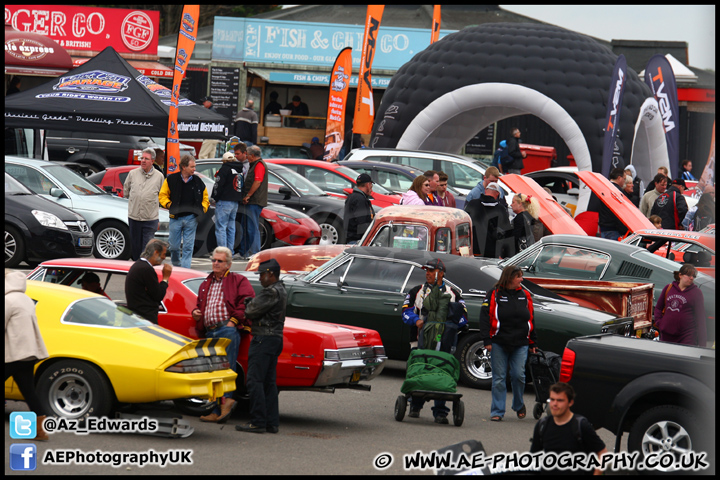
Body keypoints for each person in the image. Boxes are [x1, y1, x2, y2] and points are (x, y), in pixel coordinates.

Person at [192, 246, 255, 423]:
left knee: (225, 369)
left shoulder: (238, 280)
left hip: (226, 329)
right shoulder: (206, 283)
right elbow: (199, 305)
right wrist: (196, 313)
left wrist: (233, 322)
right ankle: (215, 409)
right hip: (210, 331)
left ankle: (226, 402)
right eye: (214, 260)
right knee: (212, 372)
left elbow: (247, 302)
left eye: (220, 261)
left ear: (228, 264)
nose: (215, 264)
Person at [401, 259, 468, 423]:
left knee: (442, 374)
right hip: (419, 342)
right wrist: (416, 320)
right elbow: (405, 312)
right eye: (427, 271)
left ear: (441, 273)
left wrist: (448, 326)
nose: (428, 274)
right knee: (420, 371)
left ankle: (440, 412)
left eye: (432, 271)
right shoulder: (416, 291)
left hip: (444, 343)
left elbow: (463, 318)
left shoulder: (453, 293)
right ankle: (415, 405)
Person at [479, 265, 537, 422]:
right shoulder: (494, 293)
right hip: (499, 342)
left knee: (519, 376)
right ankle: (497, 411)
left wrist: (532, 342)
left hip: (521, 343)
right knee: (499, 378)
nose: (521, 279)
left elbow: (531, 319)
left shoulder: (525, 295)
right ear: (510, 278)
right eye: (519, 276)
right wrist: (487, 340)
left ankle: (518, 405)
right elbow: (484, 317)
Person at [236, 258, 287, 434]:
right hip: (275, 339)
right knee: (269, 383)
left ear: (270, 274)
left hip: (263, 339)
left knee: (254, 381)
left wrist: (248, 303)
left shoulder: (269, 292)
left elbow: (249, 312)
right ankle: (271, 423)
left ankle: (257, 421)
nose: (259, 279)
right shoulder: (281, 289)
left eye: (261, 275)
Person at [5, 270, 50, 441]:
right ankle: (40, 431)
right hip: (29, 354)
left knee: (29, 391)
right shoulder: (26, 300)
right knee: (29, 392)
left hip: (13, 354)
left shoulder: (8, 300)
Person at [530, 382, 608, 475]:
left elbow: (602, 452)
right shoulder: (542, 425)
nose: (555, 404)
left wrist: (597, 473)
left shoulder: (581, 425)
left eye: (560, 400)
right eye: (552, 399)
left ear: (570, 402)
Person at [159, 155, 209, 268]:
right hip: (175, 218)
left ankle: (185, 270)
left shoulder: (198, 181)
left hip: (192, 218)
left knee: (188, 247)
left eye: (194, 166)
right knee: (174, 247)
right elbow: (162, 195)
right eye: (192, 167)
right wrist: (169, 205)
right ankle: (176, 265)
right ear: (183, 167)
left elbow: (205, 198)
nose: (194, 169)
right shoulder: (171, 179)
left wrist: (203, 209)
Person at [124, 147, 165, 260]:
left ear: (152, 161)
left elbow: (162, 195)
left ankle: (144, 269)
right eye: (141, 158)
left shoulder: (159, 176)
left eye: (146, 159)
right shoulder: (133, 174)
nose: (143, 160)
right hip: (134, 217)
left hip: (150, 219)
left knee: (147, 248)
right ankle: (137, 267)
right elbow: (126, 191)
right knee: (136, 248)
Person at [653, 264, 706, 347]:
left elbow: (701, 318)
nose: (691, 278)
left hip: (687, 337)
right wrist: (660, 323)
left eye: (693, 276)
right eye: (688, 275)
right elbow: (658, 308)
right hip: (666, 336)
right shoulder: (668, 288)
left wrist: (703, 344)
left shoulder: (696, 293)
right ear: (680, 275)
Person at [125, 239, 172, 324]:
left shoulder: (138, 265)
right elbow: (158, 295)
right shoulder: (146, 269)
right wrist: (165, 278)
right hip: (144, 318)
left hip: (137, 316)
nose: (164, 258)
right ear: (156, 253)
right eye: (164, 254)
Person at [237, 145, 268, 259]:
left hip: (255, 201)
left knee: (252, 227)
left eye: (248, 155)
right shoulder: (254, 164)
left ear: (252, 155)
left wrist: (248, 195)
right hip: (252, 202)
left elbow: (257, 182)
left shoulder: (259, 165)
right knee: (246, 226)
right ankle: (244, 252)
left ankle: (255, 253)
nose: (247, 157)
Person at [466, 182, 511, 258]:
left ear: (485, 191)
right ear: (497, 194)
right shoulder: (500, 209)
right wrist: (505, 255)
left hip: (474, 250)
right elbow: (508, 233)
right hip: (492, 253)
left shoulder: (472, 204)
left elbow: (464, 224)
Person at [213, 152, 245, 250]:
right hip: (235, 202)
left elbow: (219, 185)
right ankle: (229, 251)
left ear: (224, 161)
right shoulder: (239, 170)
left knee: (221, 227)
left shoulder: (224, 169)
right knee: (231, 227)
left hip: (224, 201)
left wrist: (215, 197)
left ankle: (222, 251)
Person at [597, 167, 627, 241]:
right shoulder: (618, 191)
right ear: (619, 178)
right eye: (624, 179)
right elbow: (620, 212)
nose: (624, 181)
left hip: (603, 228)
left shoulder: (603, 189)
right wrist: (624, 230)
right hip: (614, 229)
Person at [343, 173, 375, 244]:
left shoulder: (352, 197)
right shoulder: (360, 199)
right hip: (357, 241)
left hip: (351, 239)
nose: (371, 189)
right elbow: (362, 223)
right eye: (371, 186)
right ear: (368, 185)